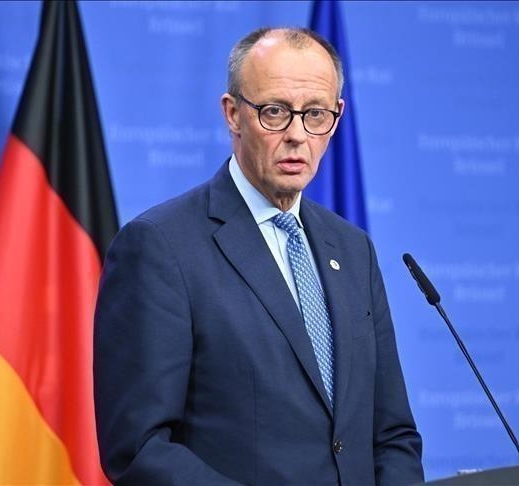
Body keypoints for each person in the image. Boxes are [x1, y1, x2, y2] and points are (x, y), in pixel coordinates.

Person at [93, 27, 424, 485]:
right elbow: (138, 447)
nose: (297, 135)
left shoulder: (352, 249)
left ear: (337, 116)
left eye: (316, 114)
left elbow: (392, 434)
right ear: (233, 114)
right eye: (275, 112)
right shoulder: (159, 247)